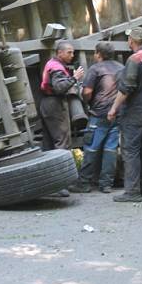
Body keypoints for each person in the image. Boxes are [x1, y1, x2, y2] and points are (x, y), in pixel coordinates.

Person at [107, 28, 142, 202]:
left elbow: (126, 88)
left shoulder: (134, 59)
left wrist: (113, 108)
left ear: (131, 40)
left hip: (135, 113)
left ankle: (132, 192)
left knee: (130, 152)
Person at [68, 41, 123, 193]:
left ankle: (84, 183)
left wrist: (87, 103)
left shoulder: (96, 69)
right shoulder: (122, 68)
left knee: (91, 147)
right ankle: (106, 184)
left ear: (98, 54)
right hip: (117, 114)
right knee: (110, 149)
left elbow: (86, 92)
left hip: (99, 114)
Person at [40, 39, 84, 197]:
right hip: (55, 104)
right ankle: (62, 184)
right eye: (69, 52)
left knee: (50, 144)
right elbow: (59, 88)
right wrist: (74, 78)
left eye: (73, 52)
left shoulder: (52, 64)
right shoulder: (57, 68)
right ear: (59, 52)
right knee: (62, 143)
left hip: (47, 104)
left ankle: (50, 184)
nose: (72, 55)